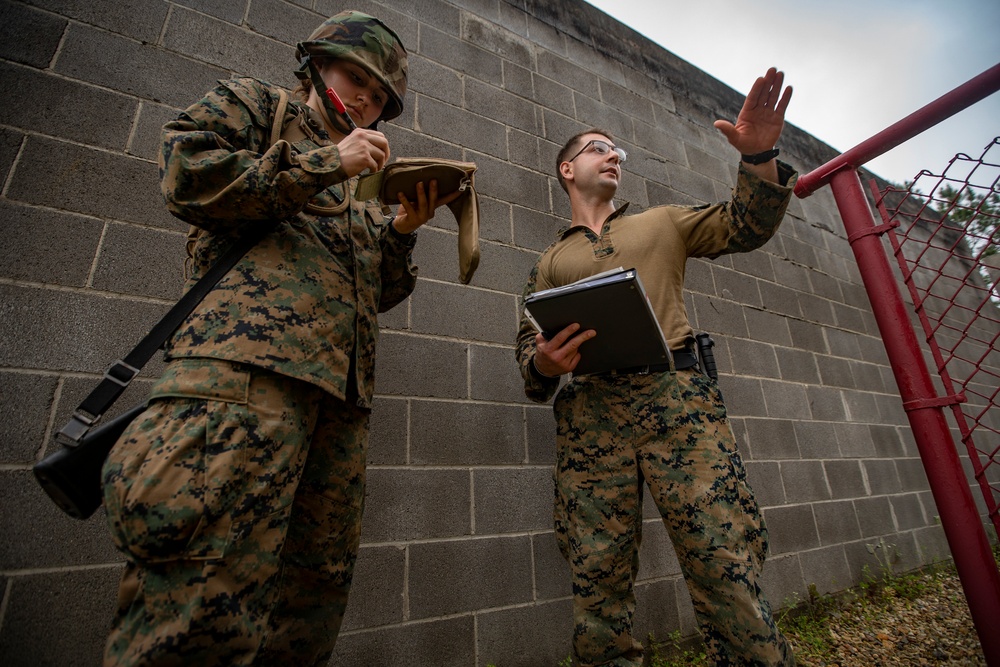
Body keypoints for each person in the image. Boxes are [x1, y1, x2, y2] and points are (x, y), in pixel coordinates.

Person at [100, 10, 458, 666]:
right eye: (357, 80)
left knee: (305, 610)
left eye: (379, 98)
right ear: (317, 65)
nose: (366, 102)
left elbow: (378, 295)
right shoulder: (258, 106)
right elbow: (185, 170)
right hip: (237, 391)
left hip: (337, 414)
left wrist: (401, 231)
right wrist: (325, 161)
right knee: (200, 604)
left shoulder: (361, 183)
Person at [515, 68, 798, 666]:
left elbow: (745, 226)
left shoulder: (661, 221)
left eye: (617, 149)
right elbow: (529, 359)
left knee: (721, 556)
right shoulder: (549, 261)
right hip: (592, 418)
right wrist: (542, 361)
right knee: (597, 572)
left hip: (677, 402)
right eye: (598, 148)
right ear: (568, 169)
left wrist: (760, 158)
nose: (612, 155)